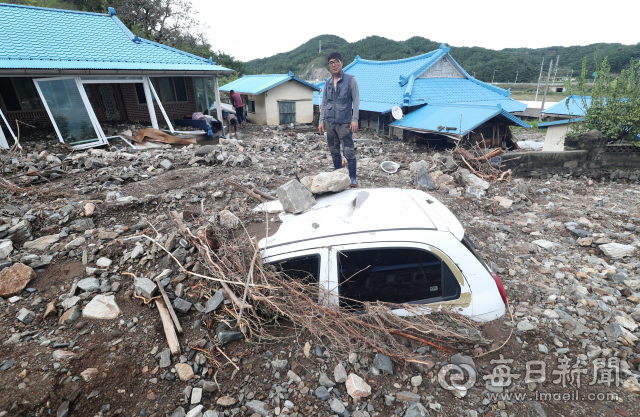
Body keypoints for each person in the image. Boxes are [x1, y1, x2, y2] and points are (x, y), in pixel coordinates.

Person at [318, 51, 360, 187]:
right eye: (331, 62)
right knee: (334, 150)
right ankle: (338, 176)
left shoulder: (350, 80)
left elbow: (356, 100)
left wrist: (355, 119)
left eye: (336, 61)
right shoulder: (328, 83)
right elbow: (324, 103)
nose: (333, 65)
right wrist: (321, 121)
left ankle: (352, 178)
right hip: (330, 123)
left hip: (345, 123)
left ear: (341, 62)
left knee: (348, 150)